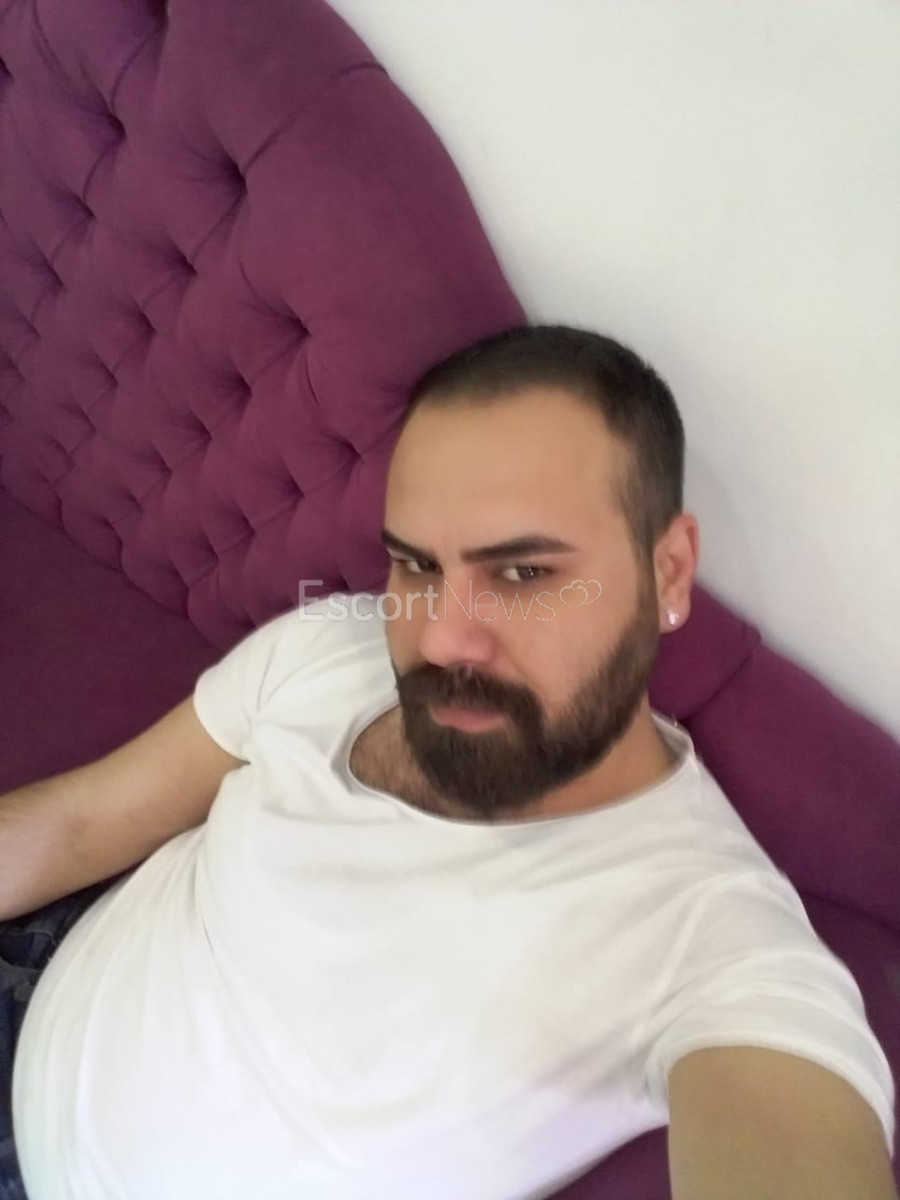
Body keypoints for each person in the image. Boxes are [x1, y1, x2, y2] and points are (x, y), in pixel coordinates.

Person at [0, 326, 895, 1200]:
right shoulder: (325, 647)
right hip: (39, 980)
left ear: (667, 573)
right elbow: (79, 822)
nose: (440, 639)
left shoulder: (712, 939)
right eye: (417, 565)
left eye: (525, 574)